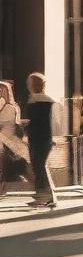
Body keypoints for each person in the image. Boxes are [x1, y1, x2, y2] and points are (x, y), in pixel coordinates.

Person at [22, 72, 59, 208]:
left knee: (39, 168)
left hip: (37, 139)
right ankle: (49, 197)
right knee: (41, 168)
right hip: (44, 138)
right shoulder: (46, 100)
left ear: (33, 85)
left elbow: (36, 122)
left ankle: (43, 197)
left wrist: (26, 126)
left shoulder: (34, 101)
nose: (27, 85)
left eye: (29, 83)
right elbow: (47, 122)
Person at [0, 80, 29, 197]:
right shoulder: (13, 107)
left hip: (7, 141)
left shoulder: (11, 107)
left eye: (2, 90)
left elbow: (16, 125)